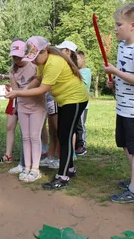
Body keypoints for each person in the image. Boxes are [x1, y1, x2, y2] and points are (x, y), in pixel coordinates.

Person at [6, 36, 88, 189]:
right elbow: (37, 78)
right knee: (63, 134)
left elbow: (43, 89)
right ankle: (69, 169)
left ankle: (63, 176)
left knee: (65, 137)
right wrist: (23, 89)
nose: (34, 61)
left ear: (44, 51)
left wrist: (18, 93)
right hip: (64, 100)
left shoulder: (53, 63)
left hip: (75, 99)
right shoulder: (42, 62)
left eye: (35, 57)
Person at [104, 3, 134, 204]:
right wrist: (114, 82)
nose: (115, 29)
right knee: (125, 144)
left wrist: (116, 72)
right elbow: (126, 74)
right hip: (123, 106)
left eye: (118, 25)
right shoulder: (123, 46)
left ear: (132, 25)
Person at [6, 41, 47, 183]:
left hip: (37, 106)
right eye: (14, 57)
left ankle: (35, 169)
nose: (17, 60)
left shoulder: (34, 65)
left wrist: (25, 89)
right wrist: (13, 94)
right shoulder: (12, 71)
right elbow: (15, 90)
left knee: (35, 137)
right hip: (23, 106)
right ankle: (27, 167)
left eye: (19, 57)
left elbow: (38, 80)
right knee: (25, 137)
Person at [75, 50, 91, 156]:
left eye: (77, 59)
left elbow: (82, 86)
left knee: (80, 125)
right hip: (75, 103)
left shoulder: (86, 71)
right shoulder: (77, 71)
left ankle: (82, 145)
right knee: (76, 125)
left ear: (83, 58)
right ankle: (76, 145)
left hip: (82, 104)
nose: (75, 61)